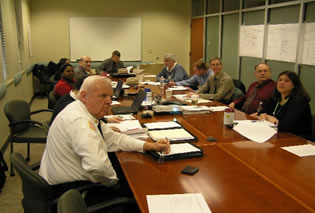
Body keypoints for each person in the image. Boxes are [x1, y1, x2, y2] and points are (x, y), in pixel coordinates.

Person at [39, 75, 170, 201]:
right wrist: (115, 182)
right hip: (71, 192)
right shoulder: (80, 121)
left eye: (110, 96)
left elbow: (114, 138)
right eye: (103, 96)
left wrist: (149, 146)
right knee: (137, 191)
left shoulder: (83, 111)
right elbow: (97, 166)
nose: (109, 101)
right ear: (84, 96)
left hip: (66, 179)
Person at [50, 74, 122, 131]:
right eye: (102, 95)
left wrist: (106, 120)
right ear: (84, 93)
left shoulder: (74, 100)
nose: (109, 102)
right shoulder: (70, 109)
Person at [258, 71, 312, 137]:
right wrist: (267, 116)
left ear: (294, 85)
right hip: (276, 133)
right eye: (280, 80)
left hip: (297, 138)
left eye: (286, 81)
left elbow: (285, 126)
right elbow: (261, 112)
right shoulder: (276, 97)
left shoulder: (298, 101)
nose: (281, 83)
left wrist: (268, 119)